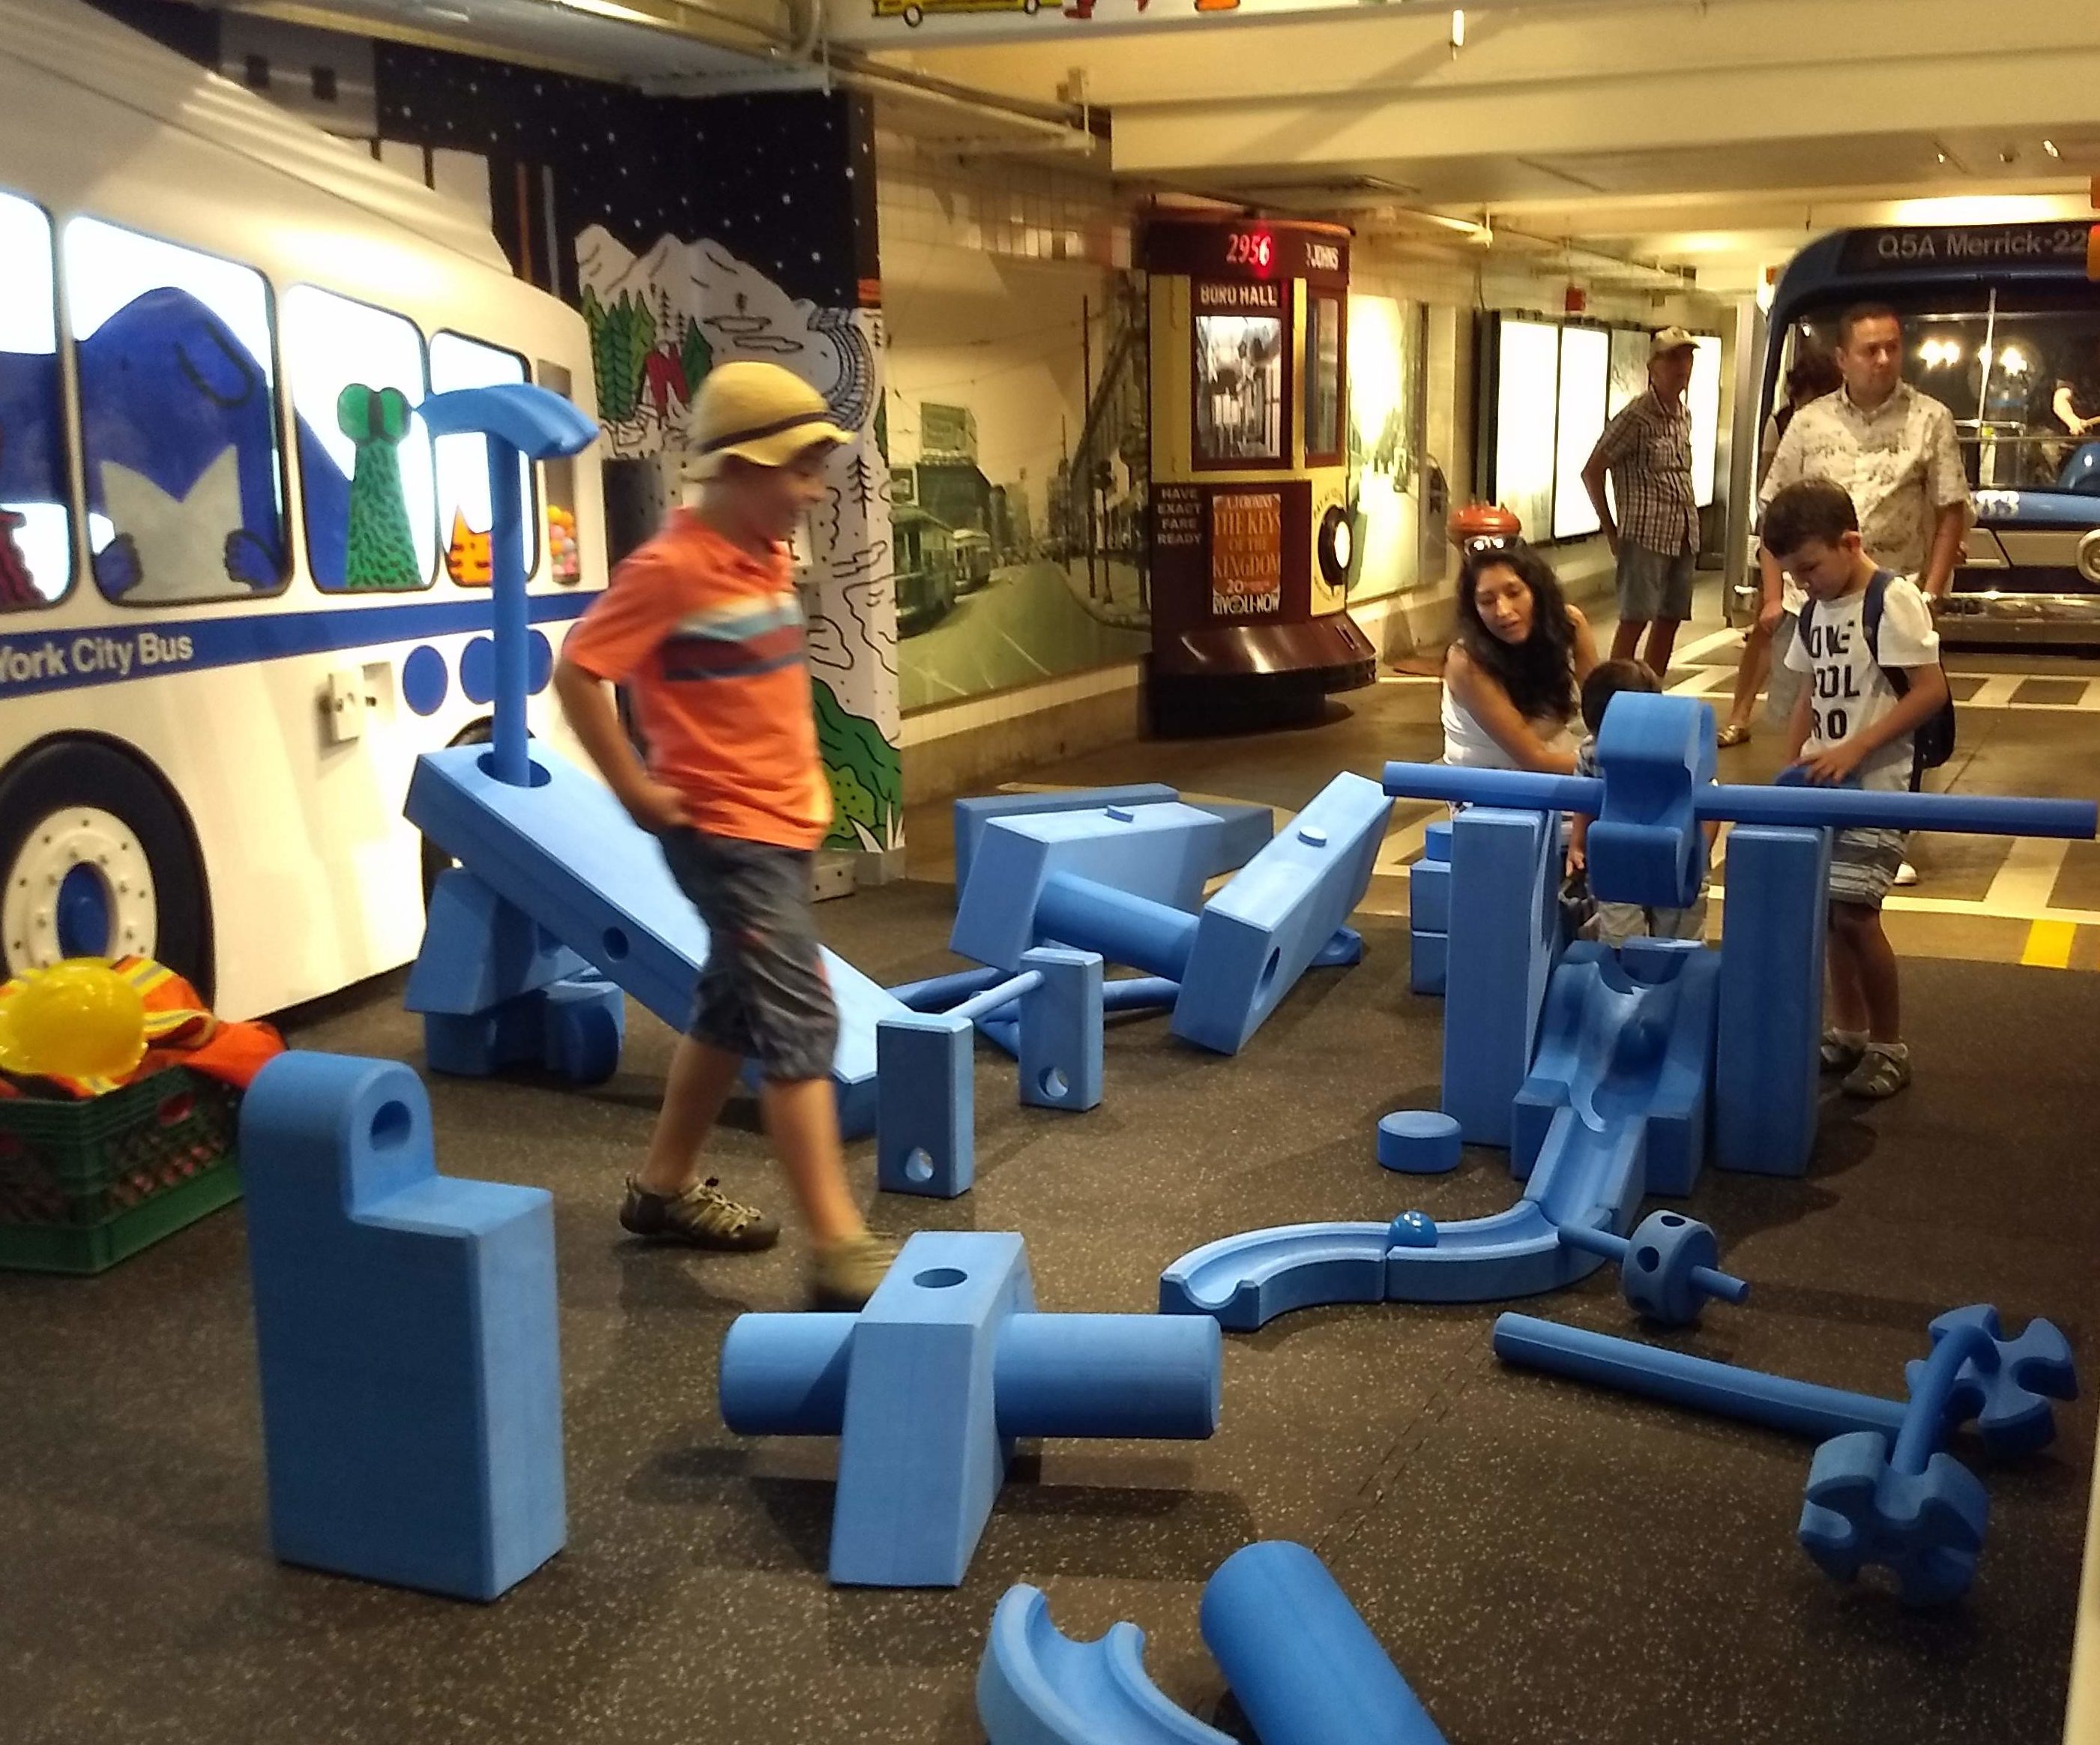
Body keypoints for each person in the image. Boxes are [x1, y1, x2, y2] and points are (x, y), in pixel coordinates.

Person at [552, 361, 896, 1309]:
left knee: (731, 1008)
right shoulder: (670, 567)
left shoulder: (762, 554)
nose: (812, 491)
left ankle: (662, 1190)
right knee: (801, 1023)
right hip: (724, 835)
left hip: (779, 824)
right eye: (799, 470)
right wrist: (632, 789)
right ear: (741, 466)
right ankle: (836, 1245)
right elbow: (580, 672)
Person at [1752, 304, 1970, 886]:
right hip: (1815, 596)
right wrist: (1777, 595)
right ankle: (1825, 818)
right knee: (1819, 700)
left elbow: (1951, 508)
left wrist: (1930, 590)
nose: (1882, 359)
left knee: (1887, 708)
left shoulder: (1931, 417)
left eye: (1892, 347)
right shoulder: (1810, 421)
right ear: (1842, 358)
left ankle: (1883, 838)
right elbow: (1773, 510)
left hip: (1889, 594)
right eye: (1869, 350)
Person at [1766, 477, 1950, 1101]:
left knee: (1856, 913)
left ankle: (1888, 1043)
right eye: (1793, 574)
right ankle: (1848, 1030)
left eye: (1810, 567)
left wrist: (1857, 748)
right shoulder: (1816, 610)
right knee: (1829, 914)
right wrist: (1790, 764)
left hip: (1878, 786)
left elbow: (1931, 690)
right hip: (1823, 781)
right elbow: (1811, 692)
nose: (1803, 582)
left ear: (1851, 542)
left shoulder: (1890, 598)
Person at [1718, 347, 1844, 749]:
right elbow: (1770, 483)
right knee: (1766, 626)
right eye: (1797, 396)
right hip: (1785, 534)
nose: (1802, 404)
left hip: (1821, 538)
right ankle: (1740, 714)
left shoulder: (1840, 423)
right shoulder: (1784, 421)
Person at [1564, 658, 1712, 947]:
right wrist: (1578, 842)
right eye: (1601, 735)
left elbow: (1709, 805)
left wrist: (1695, 857)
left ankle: (1679, 982)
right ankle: (1621, 978)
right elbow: (1584, 796)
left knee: (1681, 938)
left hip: (1676, 857)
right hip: (1617, 856)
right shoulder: (1592, 751)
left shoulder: (1680, 750)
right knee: (1618, 936)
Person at [1581, 327, 1701, 681]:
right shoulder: (1635, 416)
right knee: (1636, 617)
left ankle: (1651, 689)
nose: (1682, 366)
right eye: (1673, 358)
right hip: (1646, 532)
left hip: (1682, 532)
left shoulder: (1683, 414)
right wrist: (1611, 530)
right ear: (1653, 367)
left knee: (1672, 616)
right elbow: (1593, 470)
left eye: (1687, 357)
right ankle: (1614, 694)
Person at [1441, 538, 1599, 775]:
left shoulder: (1570, 623)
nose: (1503, 611)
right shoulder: (1466, 661)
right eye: (1487, 601)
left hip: (1562, 762)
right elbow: (1535, 760)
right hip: (1491, 785)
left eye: (1514, 592)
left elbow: (1601, 716)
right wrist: (1614, 771)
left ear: (1537, 590)